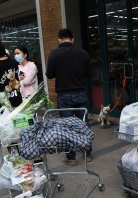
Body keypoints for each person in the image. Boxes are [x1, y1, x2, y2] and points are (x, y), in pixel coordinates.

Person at [46, 28, 92, 166]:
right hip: (80, 93)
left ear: (59, 39)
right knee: (83, 124)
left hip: (64, 96)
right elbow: (89, 73)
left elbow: (49, 75)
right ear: (72, 39)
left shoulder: (54, 54)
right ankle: (87, 153)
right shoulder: (83, 54)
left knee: (66, 126)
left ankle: (71, 158)